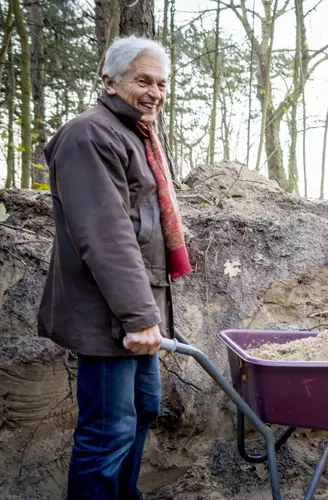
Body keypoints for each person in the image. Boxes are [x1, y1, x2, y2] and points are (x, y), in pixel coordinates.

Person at [37, 36, 192, 499]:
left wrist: (153, 313)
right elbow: (106, 236)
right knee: (108, 432)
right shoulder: (90, 134)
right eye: (142, 80)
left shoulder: (136, 134)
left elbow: (145, 232)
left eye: (162, 83)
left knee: (143, 410)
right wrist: (139, 317)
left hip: (133, 309)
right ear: (109, 81)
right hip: (106, 316)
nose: (155, 92)